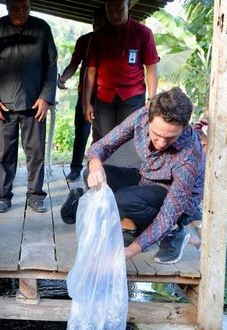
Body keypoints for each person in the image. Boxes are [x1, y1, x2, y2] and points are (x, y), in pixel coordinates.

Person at [86, 87, 204, 264]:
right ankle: (134, 227)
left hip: (175, 200)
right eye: (157, 135)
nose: (162, 143)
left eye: (171, 137)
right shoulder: (141, 116)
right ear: (149, 117)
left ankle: (175, 232)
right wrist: (95, 164)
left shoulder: (189, 153)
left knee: (123, 200)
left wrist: (129, 252)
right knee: (92, 175)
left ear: (184, 127)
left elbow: (169, 212)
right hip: (145, 179)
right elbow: (103, 145)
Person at [0, 0, 57, 213]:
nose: (21, 12)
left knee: (36, 152)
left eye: (25, 7)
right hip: (3, 104)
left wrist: (45, 97)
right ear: (7, 7)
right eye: (16, 8)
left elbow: (51, 64)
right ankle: (3, 196)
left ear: (30, 6)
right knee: (3, 154)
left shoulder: (42, 27)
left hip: (35, 103)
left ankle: (35, 195)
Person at [84, 0, 159, 168]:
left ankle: (128, 181)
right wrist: (86, 102)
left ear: (128, 5)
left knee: (129, 142)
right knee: (106, 141)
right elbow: (90, 71)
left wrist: (151, 99)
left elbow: (151, 68)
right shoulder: (98, 37)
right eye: (110, 9)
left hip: (132, 97)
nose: (115, 14)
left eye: (119, 9)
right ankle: (105, 181)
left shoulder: (143, 33)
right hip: (104, 98)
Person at [57, 8, 106, 182]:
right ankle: (75, 169)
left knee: (102, 134)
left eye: (101, 22)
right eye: (94, 22)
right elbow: (73, 64)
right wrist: (62, 78)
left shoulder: (113, 39)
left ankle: (100, 169)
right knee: (81, 133)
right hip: (84, 94)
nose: (97, 25)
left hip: (105, 97)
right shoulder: (84, 40)